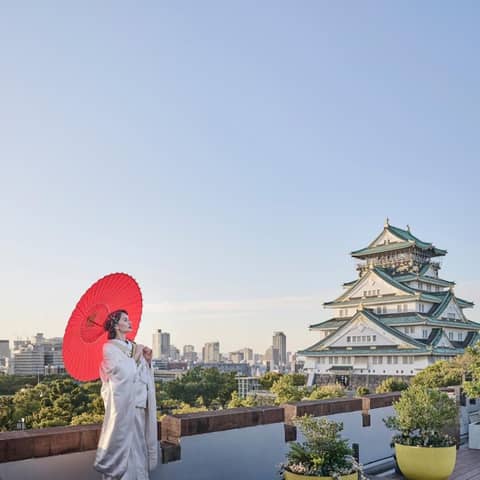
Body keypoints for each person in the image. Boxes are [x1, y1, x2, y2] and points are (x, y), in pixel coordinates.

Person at [94, 310, 158, 480]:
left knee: (139, 446)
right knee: (126, 448)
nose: (130, 322)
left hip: (139, 405)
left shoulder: (133, 345)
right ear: (116, 325)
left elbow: (142, 375)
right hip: (124, 408)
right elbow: (120, 375)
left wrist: (148, 361)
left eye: (129, 319)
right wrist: (136, 359)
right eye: (125, 319)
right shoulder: (109, 348)